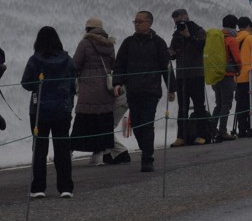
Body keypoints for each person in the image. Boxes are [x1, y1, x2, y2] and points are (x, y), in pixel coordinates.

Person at [20, 26, 77, 198]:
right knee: (62, 149)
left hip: (39, 111)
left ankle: (38, 188)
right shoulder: (67, 59)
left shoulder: (34, 60)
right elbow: (73, 81)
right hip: (62, 110)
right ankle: (66, 187)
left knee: (39, 149)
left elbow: (26, 83)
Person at [111, 11, 170, 172]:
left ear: (149, 23)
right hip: (133, 90)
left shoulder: (158, 43)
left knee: (147, 123)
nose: (136, 24)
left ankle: (147, 158)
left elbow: (166, 67)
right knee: (136, 125)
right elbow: (119, 65)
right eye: (135, 22)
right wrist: (117, 83)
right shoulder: (128, 43)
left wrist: (172, 88)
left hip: (151, 91)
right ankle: (145, 149)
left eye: (140, 21)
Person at [72, 18, 121, 164]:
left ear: (88, 29)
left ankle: (67, 152)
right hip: (106, 90)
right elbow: (114, 64)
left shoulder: (85, 43)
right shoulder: (110, 44)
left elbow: (75, 64)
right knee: (102, 122)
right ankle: (98, 155)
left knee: (82, 122)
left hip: (88, 89)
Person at [167, 9, 207, 147]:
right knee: (182, 108)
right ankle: (181, 136)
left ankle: (202, 134)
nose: (178, 24)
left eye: (180, 21)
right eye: (176, 23)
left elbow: (201, 48)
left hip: (196, 75)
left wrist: (188, 35)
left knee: (199, 106)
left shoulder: (199, 30)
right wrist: (170, 52)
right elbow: (172, 54)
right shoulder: (176, 34)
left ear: (186, 17)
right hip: (182, 76)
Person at [210, 15, 242, 142]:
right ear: (235, 26)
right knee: (226, 104)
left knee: (218, 104)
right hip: (227, 75)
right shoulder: (231, 39)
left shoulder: (217, 37)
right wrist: (239, 69)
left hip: (216, 74)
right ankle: (222, 131)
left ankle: (212, 129)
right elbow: (237, 59)